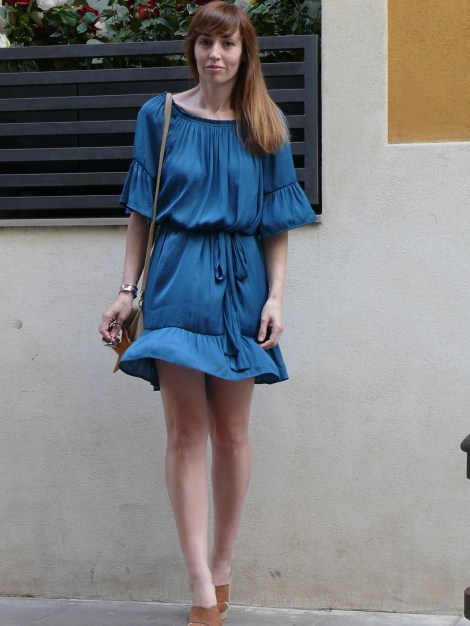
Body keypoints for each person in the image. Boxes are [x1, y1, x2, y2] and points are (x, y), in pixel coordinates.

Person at [99, 2, 316, 624]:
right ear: (191, 48)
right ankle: (198, 581)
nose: (214, 55)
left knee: (232, 432)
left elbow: (276, 224)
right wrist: (127, 290)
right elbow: (141, 212)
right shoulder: (160, 115)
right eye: (204, 42)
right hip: (176, 280)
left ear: (245, 53)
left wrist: (276, 297)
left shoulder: (265, 122)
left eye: (227, 44)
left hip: (243, 285)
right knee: (186, 431)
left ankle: (223, 563)